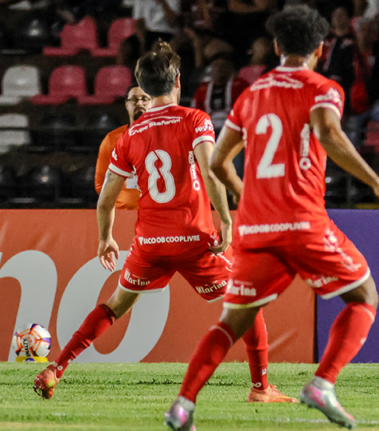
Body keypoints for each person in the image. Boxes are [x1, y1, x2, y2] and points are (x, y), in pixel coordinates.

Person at [163, 6, 379, 430]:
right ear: (320, 49)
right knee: (365, 296)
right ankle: (322, 384)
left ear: (276, 47)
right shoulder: (323, 87)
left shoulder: (250, 94)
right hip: (302, 221)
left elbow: (217, 163)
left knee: (230, 323)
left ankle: (183, 406)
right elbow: (328, 131)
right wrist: (377, 182)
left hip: (255, 227)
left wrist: (248, 196)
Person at [34, 42, 295, 405]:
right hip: (193, 238)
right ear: (177, 81)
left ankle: (55, 369)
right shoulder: (195, 120)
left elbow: (106, 198)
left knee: (114, 306)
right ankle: (261, 388)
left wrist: (106, 238)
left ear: (143, 86)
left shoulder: (129, 136)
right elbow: (210, 169)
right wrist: (225, 218)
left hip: (150, 243)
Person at [94, 85, 152, 210]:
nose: (140, 103)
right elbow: (100, 184)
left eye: (145, 98)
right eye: (134, 99)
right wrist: (121, 203)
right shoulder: (111, 140)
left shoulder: (166, 138)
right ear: (127, 105)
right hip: (122, 215)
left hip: (156, 216)